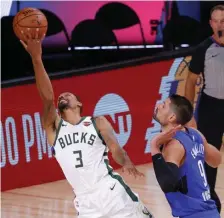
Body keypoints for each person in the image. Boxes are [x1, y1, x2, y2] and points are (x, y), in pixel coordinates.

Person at [19, 29, 153, 218]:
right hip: (86, 203)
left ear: (79, 103)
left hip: (111, 192)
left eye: (68, 95)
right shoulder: (54, 128)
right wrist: (37, 59)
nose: (62, 96)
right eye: (60, 96)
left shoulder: (97, 122)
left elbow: (115, 148)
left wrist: (126, 161)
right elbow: (47, 98)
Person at [150, 94, 222, 218]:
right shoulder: (195, 134)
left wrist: (154, 146)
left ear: (172, 117)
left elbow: (168, 184)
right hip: (211, 211)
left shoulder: (174, 145)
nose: (158, 105)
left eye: (163, 105)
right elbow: (216, 161)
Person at [185, 4, 224, 213]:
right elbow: (190, 81)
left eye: (223, 21)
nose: (219, 25)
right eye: (216, 21)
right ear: (210, 24)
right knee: (209, 156)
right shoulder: (203, 49)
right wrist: (188, 114)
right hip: (212, 107)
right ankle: (210, 203)